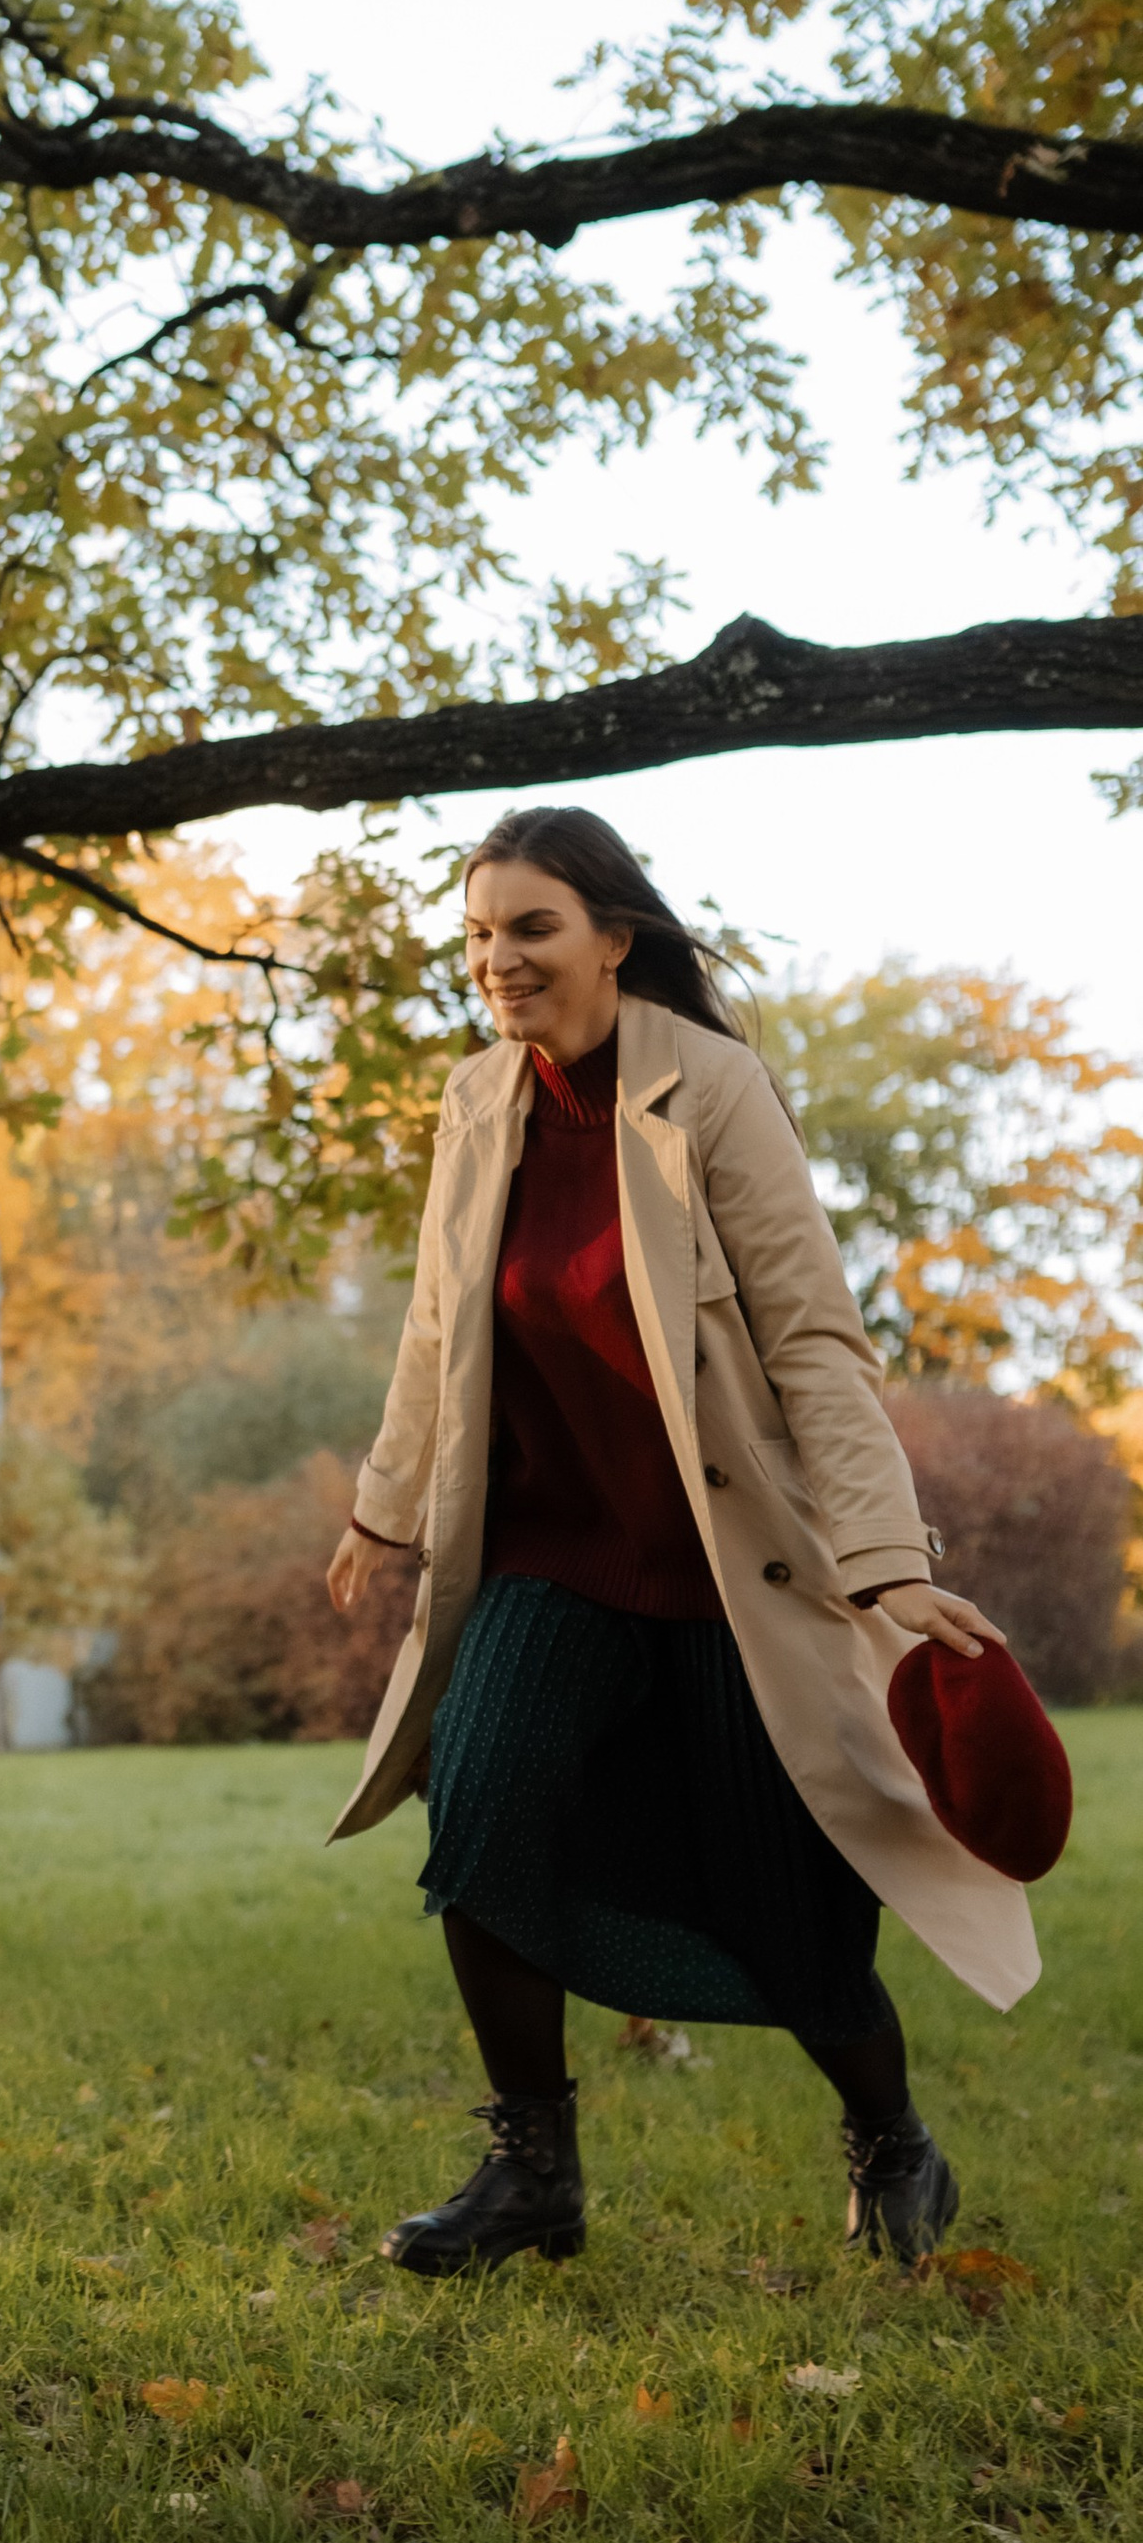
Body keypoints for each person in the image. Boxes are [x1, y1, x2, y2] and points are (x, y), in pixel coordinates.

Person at [326, 805, 1037, 2277]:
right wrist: (383, 1504)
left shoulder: (710, 1091)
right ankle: (533, 2171)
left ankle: (893, 2143)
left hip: (726, 1575)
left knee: (791, 1911)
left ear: (612, 935)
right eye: (477, 934)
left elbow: (815, 1339)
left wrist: (887, 1557)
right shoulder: (476, 1102)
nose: (499, 960)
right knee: (482, 1813)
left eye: (531, 927)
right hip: (547, 1553)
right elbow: (441, 1323)